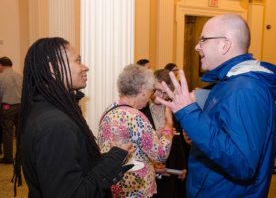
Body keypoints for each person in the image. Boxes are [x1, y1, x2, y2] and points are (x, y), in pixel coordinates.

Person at [157, 14, 276, 197]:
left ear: (225, 44)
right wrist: (196, 133)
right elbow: (224, 136)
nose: (197, 46)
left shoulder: (245, 89)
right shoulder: (230, 83)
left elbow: (242, 164)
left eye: (203, 40)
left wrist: (189, 114)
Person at [13, 37, 134, 198]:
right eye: (78, 61)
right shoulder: (54, 125)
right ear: (52, 68)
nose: (85, 67)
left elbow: (74, 167)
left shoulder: (50, 111)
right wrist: (112, 160)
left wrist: (114, 157)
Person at [98, 64, 174, 198]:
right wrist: (168, 126)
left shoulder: (109, 109)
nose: (150, 95)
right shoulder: (136, 116)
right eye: (151, 91)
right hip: (135, 191)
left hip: (114, 186)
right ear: (143, 90)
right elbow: (161, 155)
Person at [149, 69, 187, 198]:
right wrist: (156, 133)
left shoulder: (176, 109)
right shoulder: (140, 108)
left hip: (171, 171)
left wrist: (184, 167)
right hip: (149, 173)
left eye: (165, 93)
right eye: (157, 90)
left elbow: (182, 143)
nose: (160, 96)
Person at [0, 56, 22, 164]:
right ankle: (22, 156)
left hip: (7, 107)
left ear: (1, 65)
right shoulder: (20, 76)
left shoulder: (1, 77)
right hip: (21, 107)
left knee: (7, 132)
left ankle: (8, 157)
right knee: (20, 132)